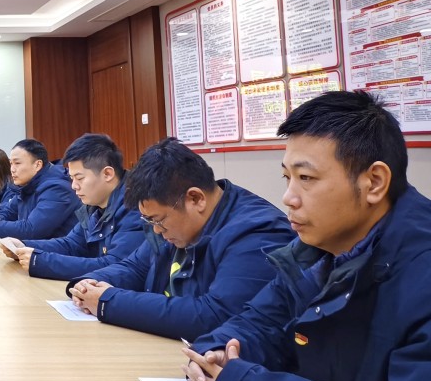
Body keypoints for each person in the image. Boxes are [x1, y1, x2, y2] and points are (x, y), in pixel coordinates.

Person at [184, 91, 431, 381]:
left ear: (374, 182)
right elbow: (258, 323)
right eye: (287, 177)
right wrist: (214, 355)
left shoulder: (420, 271)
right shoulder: (316, 251)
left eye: (307, 178)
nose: (289, 198)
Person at [68, 137, 292, 340]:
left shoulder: (258, 233)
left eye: (158, 220)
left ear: (195, 199)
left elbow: (215, 316)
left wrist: (108, 301)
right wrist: (89, 283)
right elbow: (136, 267)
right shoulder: (172, 222)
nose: (157, 231)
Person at [8, 134, 146, 280]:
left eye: (79, 178)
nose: (74, 186)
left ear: (107, 173)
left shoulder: (136, 207)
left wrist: (40, 261)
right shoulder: (93, 205)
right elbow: (72, 244)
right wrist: (23, 245)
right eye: (72, 178)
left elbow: (114, 266)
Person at [0, 138, 79, 240]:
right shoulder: (27, 185)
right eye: (11, 164)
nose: (12, 169)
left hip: (54, 251)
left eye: (17, 163)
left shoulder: (57, 188)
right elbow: (8, 213)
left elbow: (32, 230)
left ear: (37, 165)